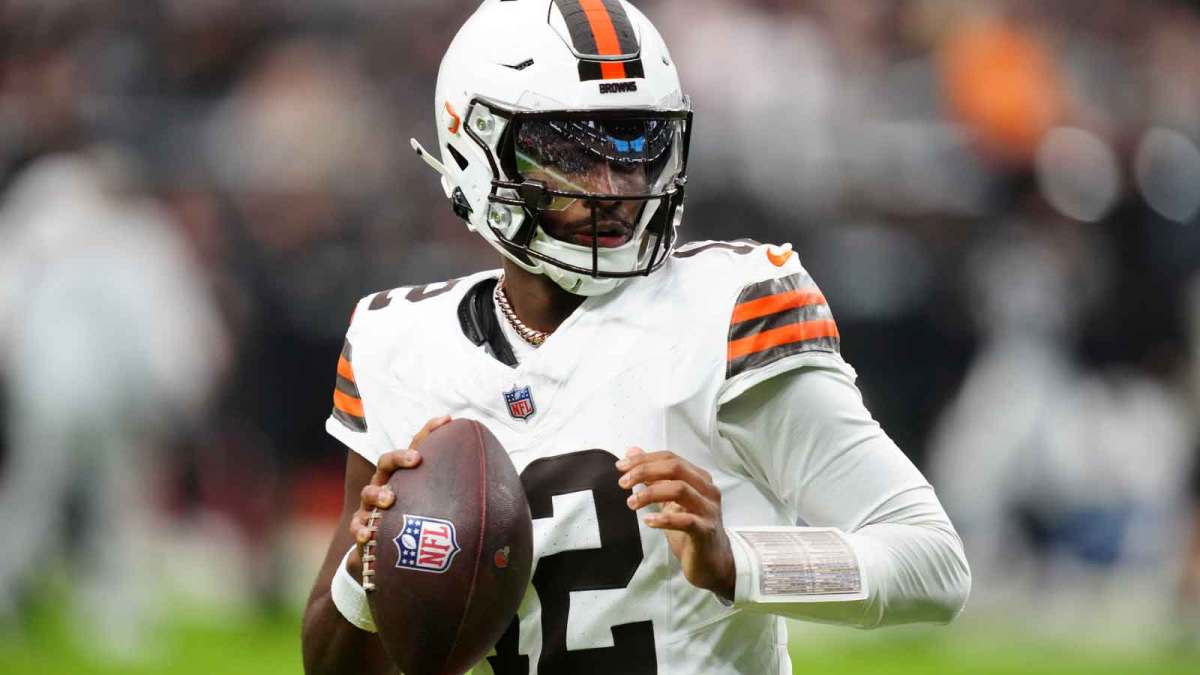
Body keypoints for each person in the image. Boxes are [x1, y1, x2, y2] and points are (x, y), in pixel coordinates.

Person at [301, 2, 970, 673]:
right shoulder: (400, 344)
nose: (615, 188)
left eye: (634, 144)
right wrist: (369, 573)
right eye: (569, 152)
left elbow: (933, 562)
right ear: (473, 149)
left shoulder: (728, 311)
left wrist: (739, 560)